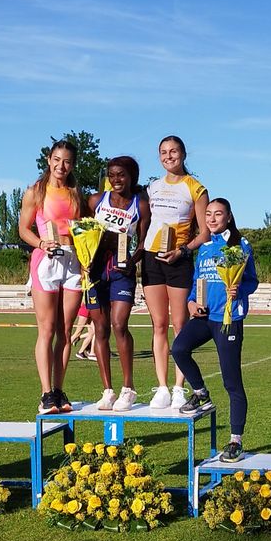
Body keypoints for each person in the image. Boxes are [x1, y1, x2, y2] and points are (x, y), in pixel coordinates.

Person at [172, 198, 259, 461]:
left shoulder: (240, 245)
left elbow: (252, 281)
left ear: (229, 217)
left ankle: (235, 441)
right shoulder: (205, 247)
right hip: (204, 316)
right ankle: (200, 393)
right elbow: (197, 279)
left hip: (228, 318)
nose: (211, 218)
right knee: (179, 348)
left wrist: (239, 289)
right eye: (208, 214)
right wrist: (190, 302)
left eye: (217, 214)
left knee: (231, 381)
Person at [19, 139, 87, 414]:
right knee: (46, 330)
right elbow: (24, 229)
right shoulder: (35, 191)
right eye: (57, 159)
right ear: (49, 159)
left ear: (72, 164)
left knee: (66, 332)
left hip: (72, 262)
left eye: (67, 161)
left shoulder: (76, 193)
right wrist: (40, 244)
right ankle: (46, 393)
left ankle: (59, 390)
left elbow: (83, 229)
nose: (61, 166)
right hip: (46, 261)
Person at [141, 135, 209, 409]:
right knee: (158, 325)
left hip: (178, 260)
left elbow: (204, 232)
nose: (169, 156)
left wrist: (182, 250)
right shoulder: (152, 187)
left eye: (174, 151)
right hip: (151, 258)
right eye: (164, 152)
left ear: (183, 154)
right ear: (159, 157)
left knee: (179, 325)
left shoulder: (196, 188)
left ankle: (180, 387)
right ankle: (161, 387)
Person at [85, 155, 152, 411]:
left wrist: (132, 260)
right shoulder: (95, 200)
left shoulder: (140, 205)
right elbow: (81, 231)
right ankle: (108, 391)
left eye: (121, 175)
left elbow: (144, 242)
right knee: (100, 329)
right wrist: (85, 258)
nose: (116, 180)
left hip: (121, 272)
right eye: (112, 175)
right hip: (94, 271)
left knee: (119, 324)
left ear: (132, 176)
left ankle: (128, 388)